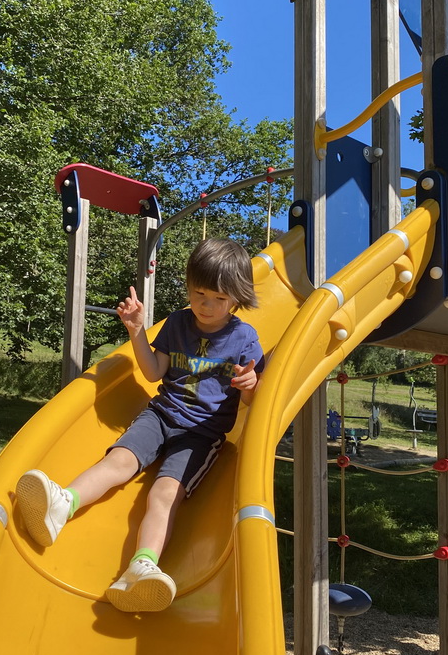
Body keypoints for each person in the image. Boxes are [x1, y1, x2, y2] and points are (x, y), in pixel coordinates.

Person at [15, 238, 265, 613]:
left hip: (201, 434)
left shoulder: (244, 339)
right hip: (160, 414)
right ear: (188, 285)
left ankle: (141, 566)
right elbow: (153, 373)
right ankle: (62, 505)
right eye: (199, 293)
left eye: (218, 298)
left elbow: (252, 402)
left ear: (236, 298)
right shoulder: (179, 323)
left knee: (164, 494)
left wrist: (251, 385)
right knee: (117, 463)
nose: (206, 305)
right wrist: (136, 330)